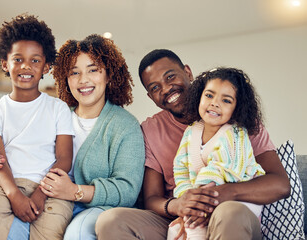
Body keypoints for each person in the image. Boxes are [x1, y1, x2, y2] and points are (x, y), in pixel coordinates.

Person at [95, 49, 290, 240]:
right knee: (111, 221)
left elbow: (280, 185)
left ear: (187, 72)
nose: (166, 89)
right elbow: (151, 198)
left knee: (228, 213)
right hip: (180, 217)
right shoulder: (151, 130)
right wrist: (178, 205)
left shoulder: (240, 122)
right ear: (150, 97)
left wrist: (226, 193)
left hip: (232, 211)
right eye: (155, 88)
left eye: (170, 77)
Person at [0, 34, 145, 240]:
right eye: (74, 72)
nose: (83, 79)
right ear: (65, 79)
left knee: (76, 236)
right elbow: (24, 155)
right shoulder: (56, 114)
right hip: (46, 201)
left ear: (108, 74)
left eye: (93, 70)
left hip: (95, 209)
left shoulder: (125, 125)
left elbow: (128, 190)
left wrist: (75, 191)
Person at [0, 14, 75, 240]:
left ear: (46, 67)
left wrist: (40, 195)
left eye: (35, 60)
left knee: (50, 233)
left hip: (50, 188)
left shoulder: (58, 108)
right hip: (5, 185)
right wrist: (14, 195)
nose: (26, 67)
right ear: (5, 63)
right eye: (18, 59)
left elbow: (64, 159)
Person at [167, 67, 266, 240]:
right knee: (175, 230)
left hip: (238, 198)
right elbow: (180, 170)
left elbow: (221, 169)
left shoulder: (235, 133)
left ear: (237, 108)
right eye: (209, 95)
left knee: (196, 227)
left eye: (226, 100)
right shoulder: (191, 132)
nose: (215, 103)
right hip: (205, 196)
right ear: (199, 96)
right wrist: (188, 201)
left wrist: (198, 206)